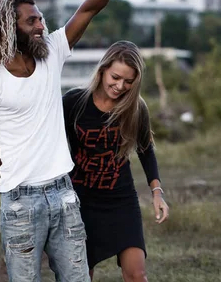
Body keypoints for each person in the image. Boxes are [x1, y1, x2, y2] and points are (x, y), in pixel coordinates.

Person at [0, 0, 138, 282]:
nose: (41, 25)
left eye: (41, 18)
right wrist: (16, 167)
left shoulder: (51, 55)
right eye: (31, 20)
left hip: (64, 194)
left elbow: (88, 9)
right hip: (20, 201)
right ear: (9, 27)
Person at [62, 41, 170, 282]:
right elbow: (51, 141)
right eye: (115, 77)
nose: (120, 86)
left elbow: (146, 150)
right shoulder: (74, 102)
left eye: (128, 81)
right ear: (102, 70)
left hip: (121, 199)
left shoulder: (135, 108)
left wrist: (157, 192)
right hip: (81, 201)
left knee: (136, 274)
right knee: (81, 276)